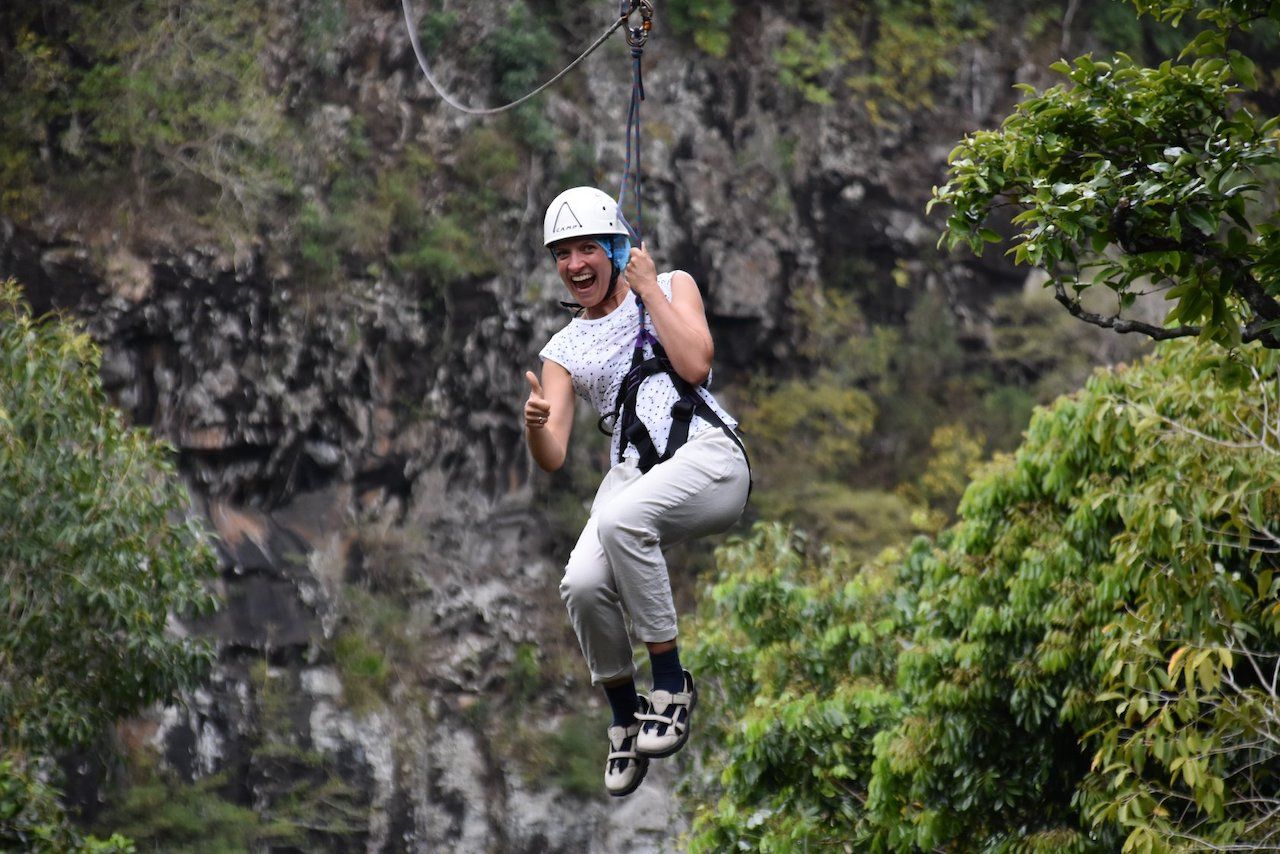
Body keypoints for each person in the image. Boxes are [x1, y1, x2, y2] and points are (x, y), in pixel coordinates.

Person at [523, 186, 750, 797]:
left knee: (623, 521)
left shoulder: (672, 285)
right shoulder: (563, 350)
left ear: (617, 249)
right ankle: (625, 717)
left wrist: (648, 287)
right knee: (582, 582)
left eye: (587, 248)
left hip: (707, 455)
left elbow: (697, 365)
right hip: (633, 473)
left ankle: (671, 683)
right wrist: (536, 427)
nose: (574, 265)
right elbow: (555, 457)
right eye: (562, 254)